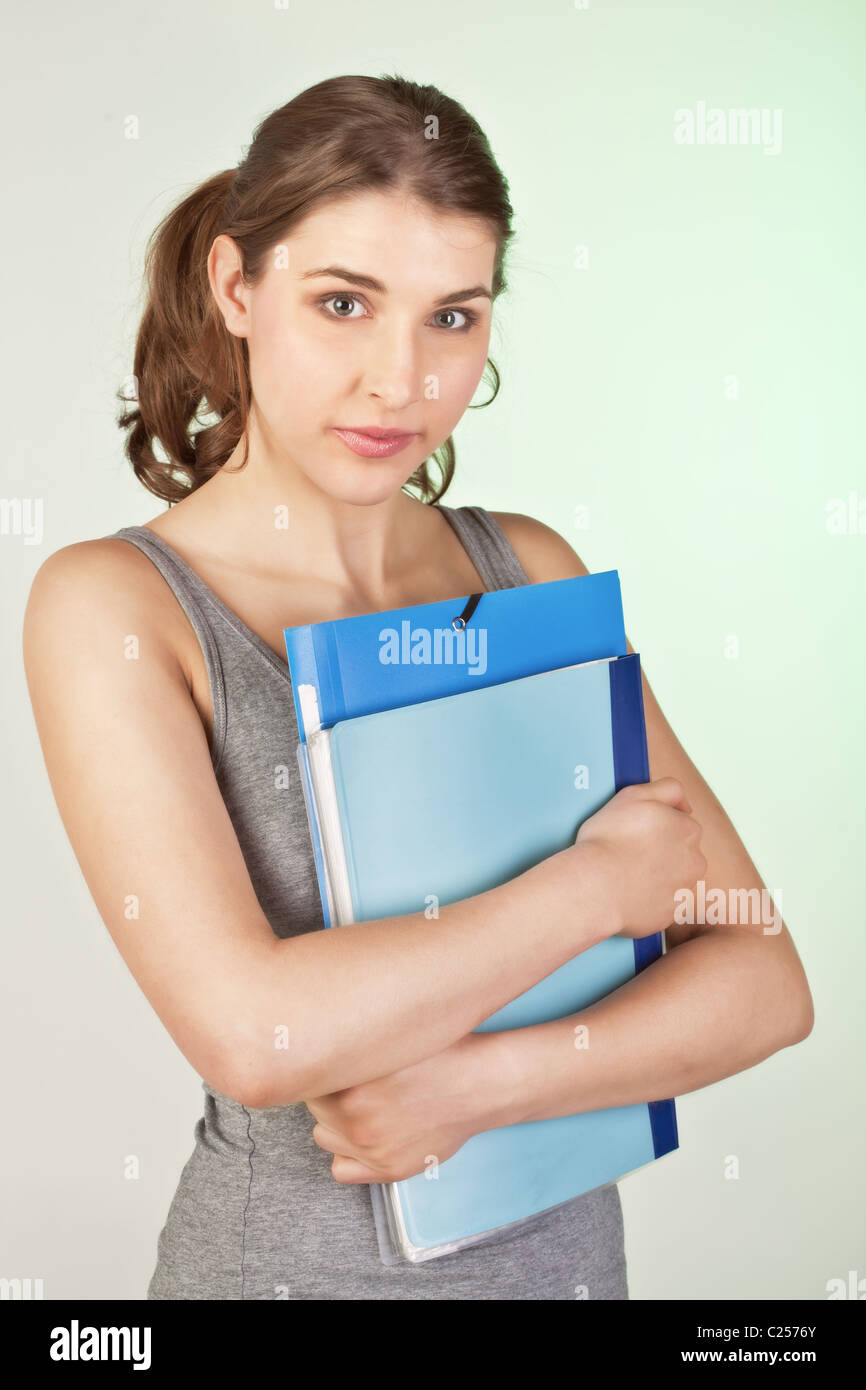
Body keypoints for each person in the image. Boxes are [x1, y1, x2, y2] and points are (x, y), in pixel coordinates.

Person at [22, 74, 813, 1301]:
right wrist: (599, 885)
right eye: (343, 303)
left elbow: (763, 982)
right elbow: (253, 1034)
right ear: (238, 287)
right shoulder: (114, 606)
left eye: (452, 316)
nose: (401, 380)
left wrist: (473, 1087)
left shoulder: (525, 570)